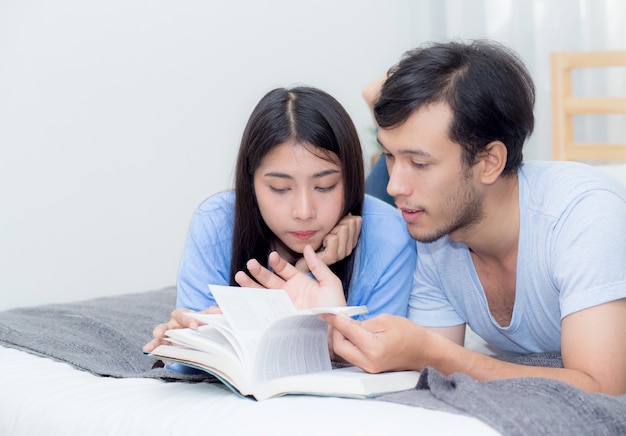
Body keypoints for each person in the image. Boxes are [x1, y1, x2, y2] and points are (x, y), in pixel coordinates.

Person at [237, 40, 626, 395]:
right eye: (389, 156)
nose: (394, 186)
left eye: (419, 163)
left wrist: (435, 354)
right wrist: (325, 324)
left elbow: (602, 388)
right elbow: (415, 366)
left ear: (489, 161)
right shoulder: (435, 236)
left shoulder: (584, 216)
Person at [143, 86, 416, 353]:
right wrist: (185, 343)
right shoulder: (215, 223)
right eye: (280, 189)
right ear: (251, 184)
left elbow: (380, 360)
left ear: (352, 178)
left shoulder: (390, 234)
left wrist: (324, 305)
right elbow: (190, 349)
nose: (304, 211)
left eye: (325, 186)